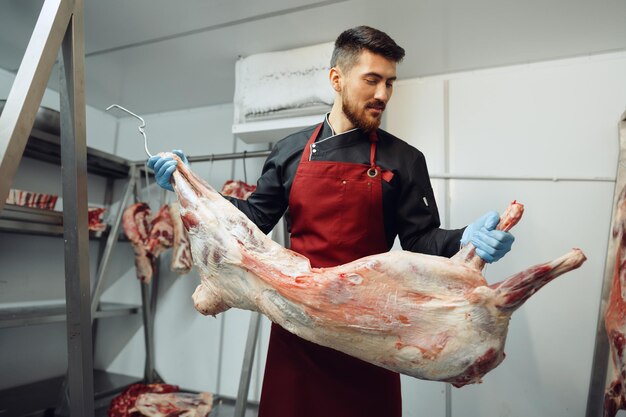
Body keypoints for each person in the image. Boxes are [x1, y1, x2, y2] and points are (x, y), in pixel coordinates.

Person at [148, 26, 514, 417]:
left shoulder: (405, 159)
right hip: (298, 327)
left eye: (390, 83)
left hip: (369, 330)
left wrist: (466, 240)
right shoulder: (289, 151)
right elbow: (254, 220)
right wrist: (190, 186)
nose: (382, 95)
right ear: (336, 79)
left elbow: (420, 239)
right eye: (372, 80)